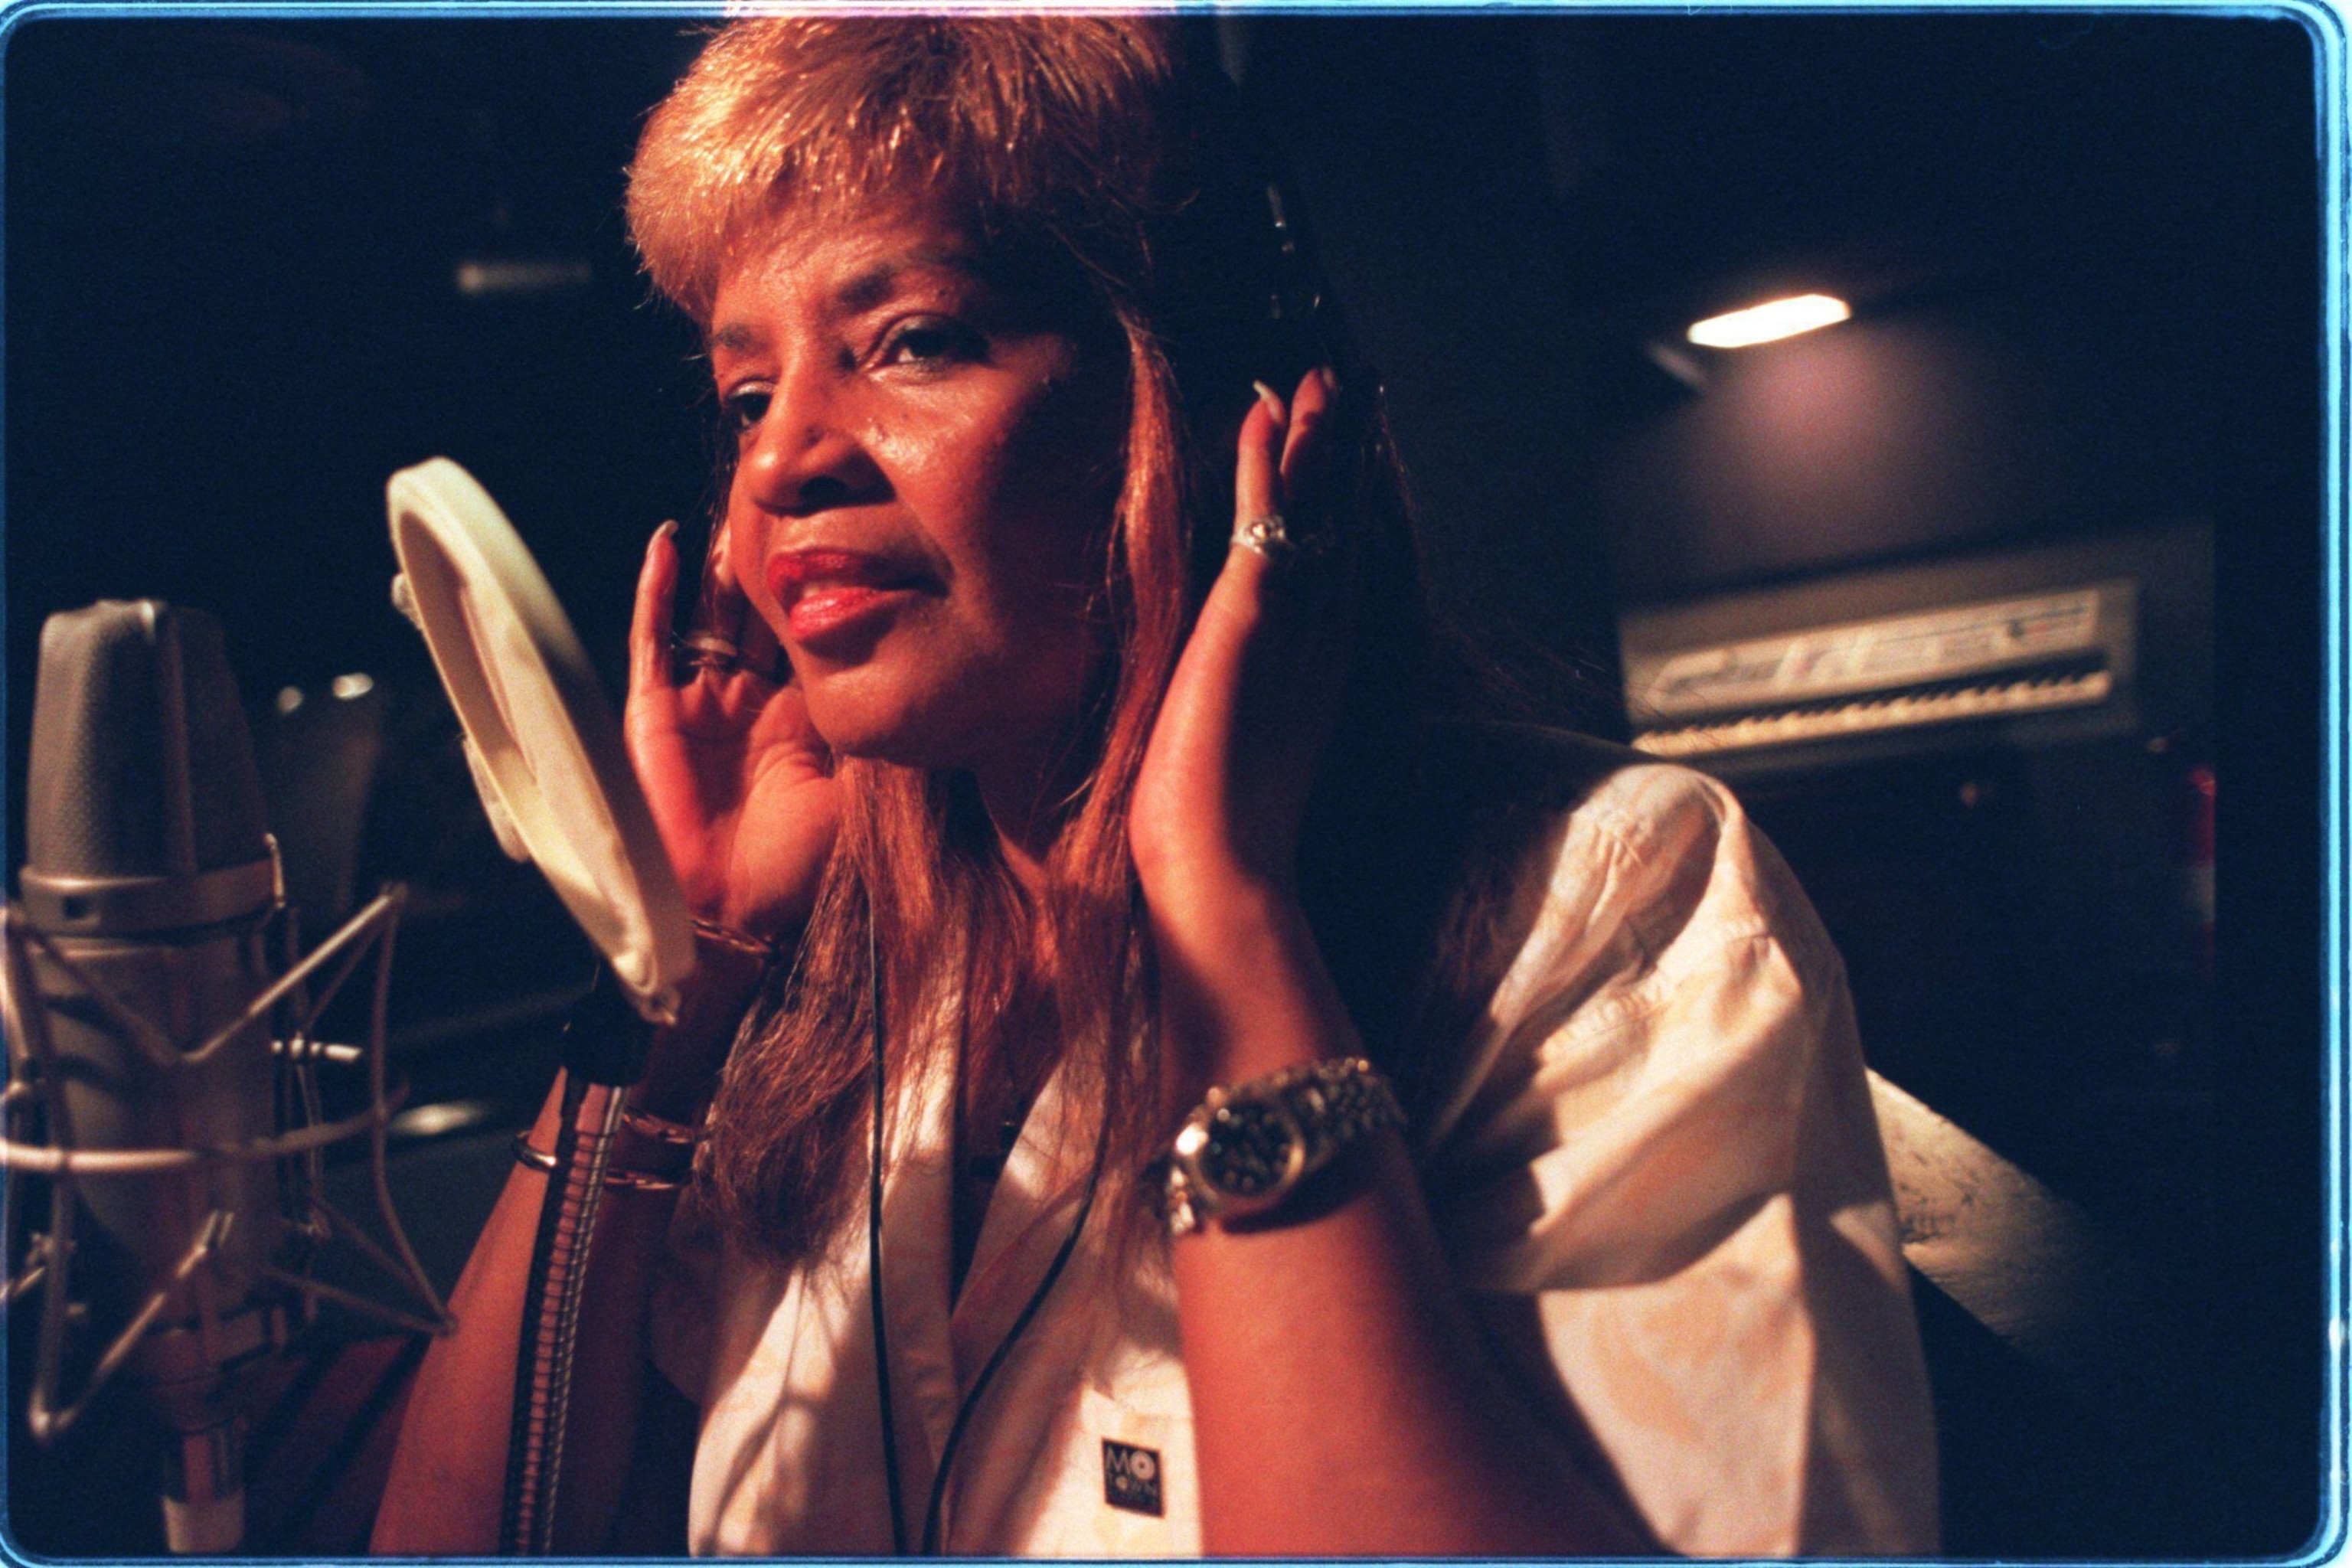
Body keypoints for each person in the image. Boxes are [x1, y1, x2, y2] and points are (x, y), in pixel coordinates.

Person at [372, 15, 1938, 1557]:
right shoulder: (818, 979)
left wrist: (1224, 910)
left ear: (1204, 406)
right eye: (744, 394)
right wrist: (675, 964)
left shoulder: (1609, 907)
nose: (782, 462)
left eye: (912, 340)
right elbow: (459, 1543)